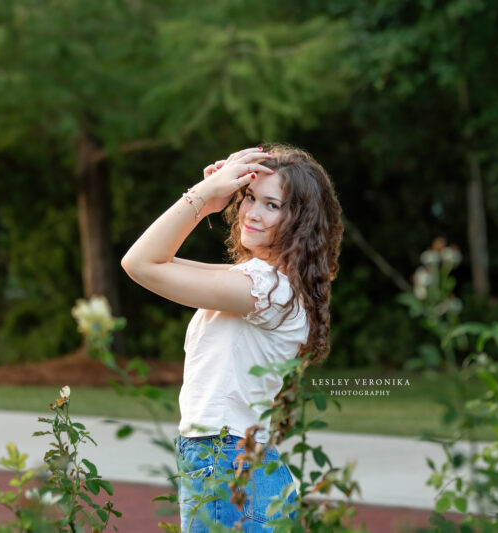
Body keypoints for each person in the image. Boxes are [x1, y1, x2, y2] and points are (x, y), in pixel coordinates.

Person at [120, 144, 343, 532]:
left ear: (300, 219)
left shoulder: (266, 288)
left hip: (227, 462)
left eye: (271, 205)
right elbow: (155, 261)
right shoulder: (265, 283)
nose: (251, 213)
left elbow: (139, 263)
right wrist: (206, 202)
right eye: (249, 197)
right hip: (232, 462)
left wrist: (202, 198)